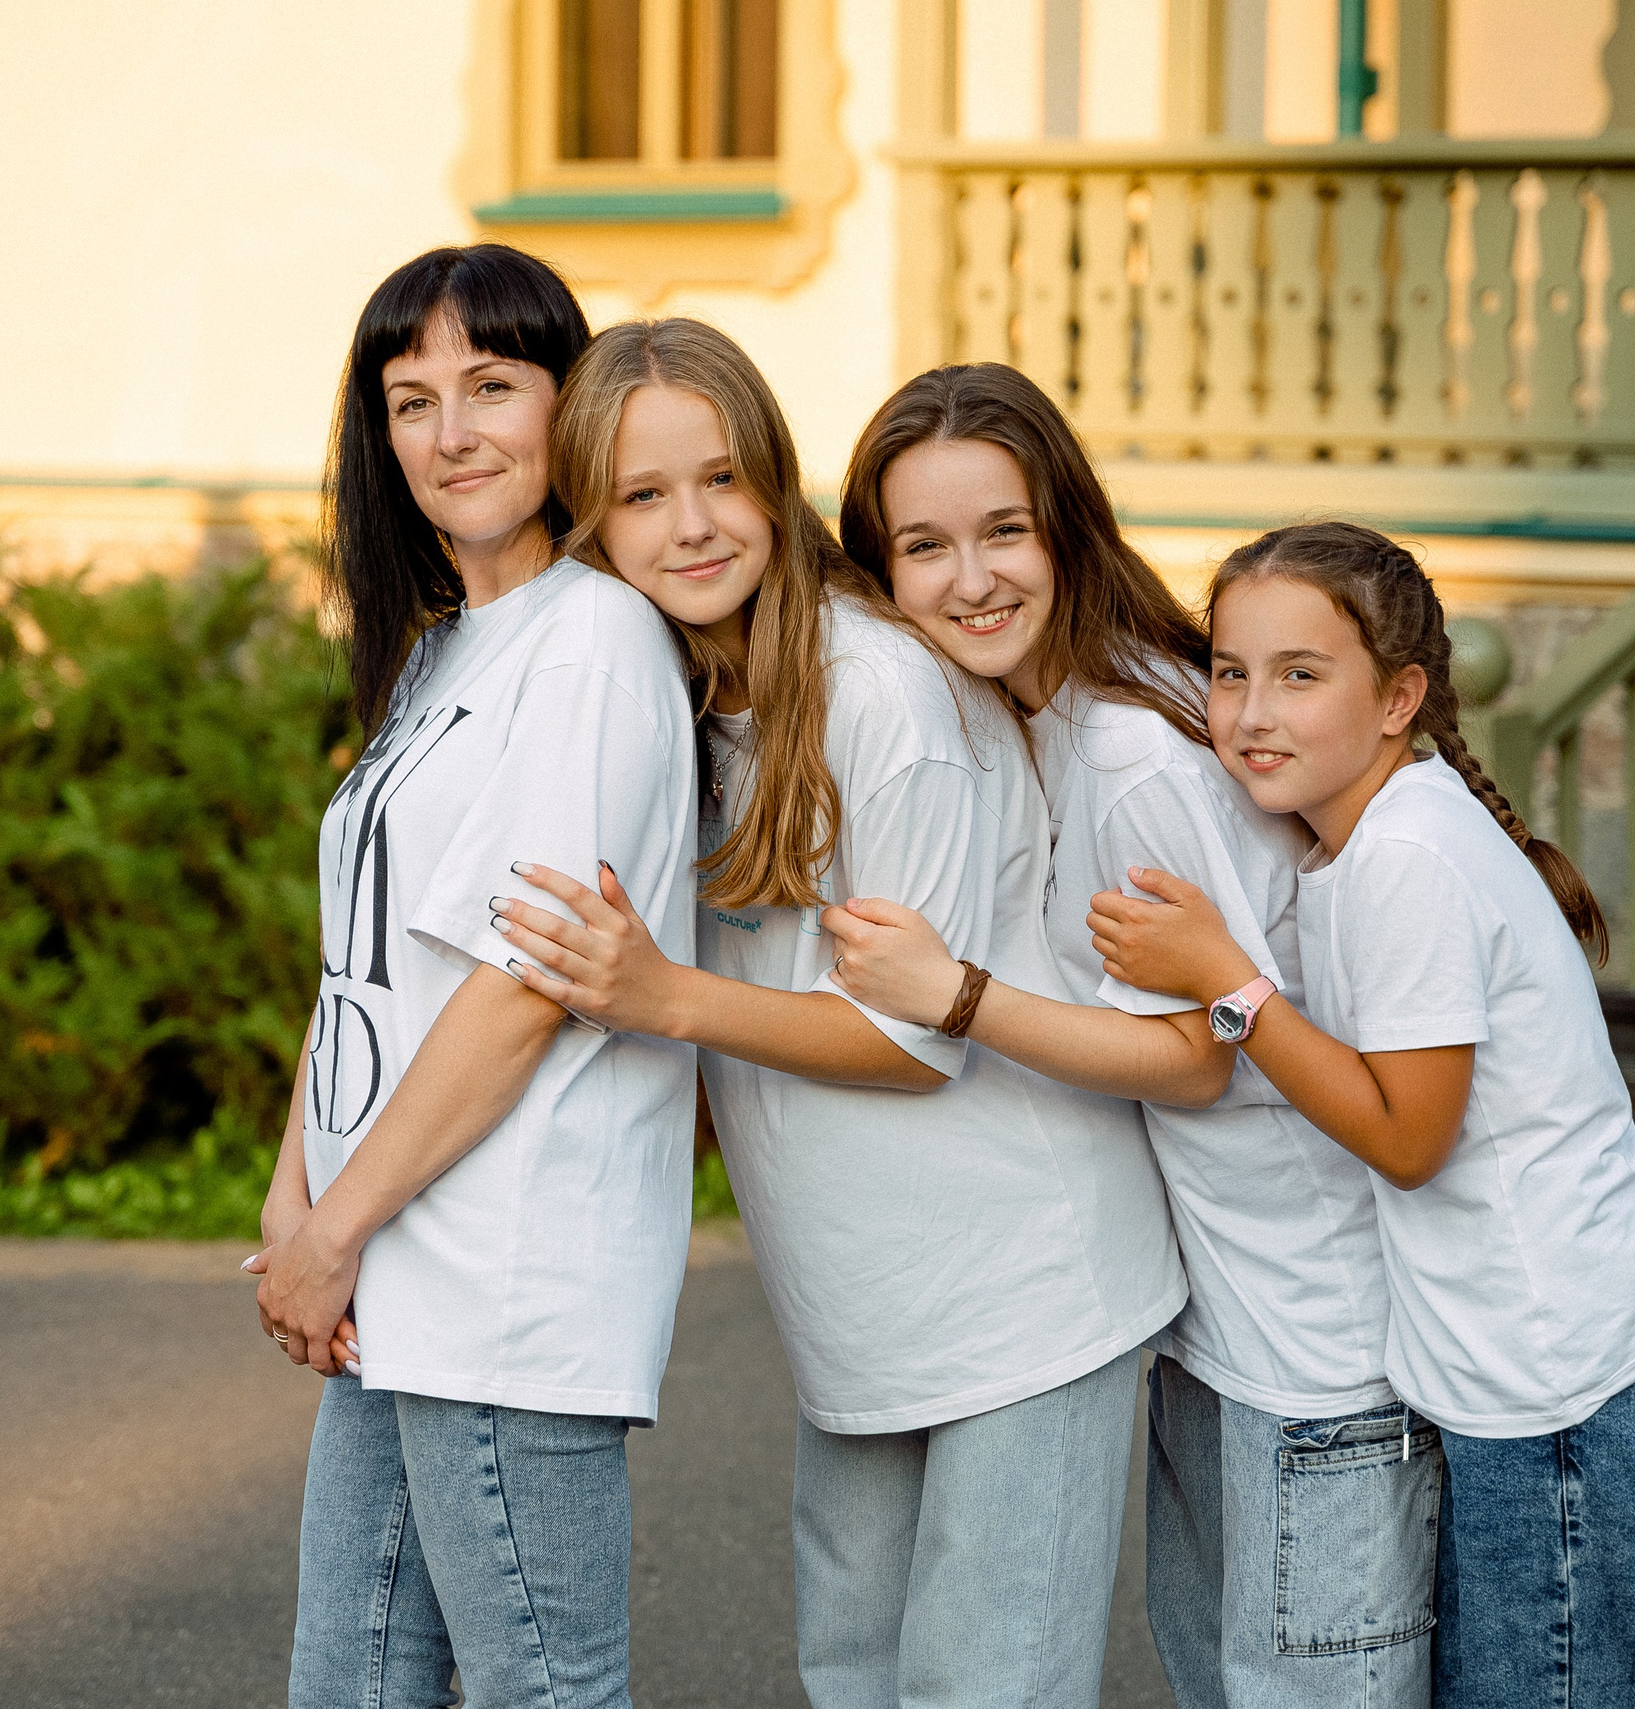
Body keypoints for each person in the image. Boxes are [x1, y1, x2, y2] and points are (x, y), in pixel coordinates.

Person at [492, 319, 1185, 1709]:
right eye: (641, 495)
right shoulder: (682, 688)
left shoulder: (881, 694)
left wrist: (668, 997)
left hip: (1022, 1289)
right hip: (861, 1300)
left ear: (776, 480)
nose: (692, 526)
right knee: (857, 1671)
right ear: (592, 521)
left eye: (722, 480)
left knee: (982, 1687)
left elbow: (911, 1041)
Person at [818, 365, 1438, 1709]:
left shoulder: (1128, 752)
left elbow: (1199, 1050)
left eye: (1004, 531)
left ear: (1066, 531)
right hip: (1220, 1312)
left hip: (1312, 1326)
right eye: (924, 545)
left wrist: (957, 993)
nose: (970, 576)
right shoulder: (1050, 711)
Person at [1086, 520, 1635, 1709]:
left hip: (1567, 1392)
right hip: (1553, 1377)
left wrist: (1224, 978)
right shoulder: (1377, 832)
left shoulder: (1408, 857)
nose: (1252, 711)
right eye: (1231, 672)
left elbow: (1408, 1137)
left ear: (1399, 698)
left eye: (1300, 674)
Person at [246, 244, 700, 1709]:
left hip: (506, 1278)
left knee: (541, 1689)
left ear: (569, 405)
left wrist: (336, 1226)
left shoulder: (592, 643)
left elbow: (522, 988)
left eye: (492, 387)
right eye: (411, 399)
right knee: (355, 1681)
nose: (452, 434)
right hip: (398, 1263)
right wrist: (295, 1187)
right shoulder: (447, 653)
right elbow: (369, 961)